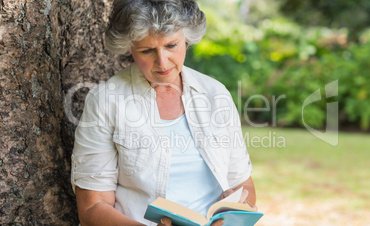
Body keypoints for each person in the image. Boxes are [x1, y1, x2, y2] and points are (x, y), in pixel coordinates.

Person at [71, 0, 257, 225]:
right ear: (129, 47)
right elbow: (92, 207)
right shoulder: (106, 101)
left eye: (171, 46)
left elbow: (242, 184)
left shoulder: (215, 94)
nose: (162, 61)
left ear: (186, 38)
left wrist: (233, 214)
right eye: (147, 50)